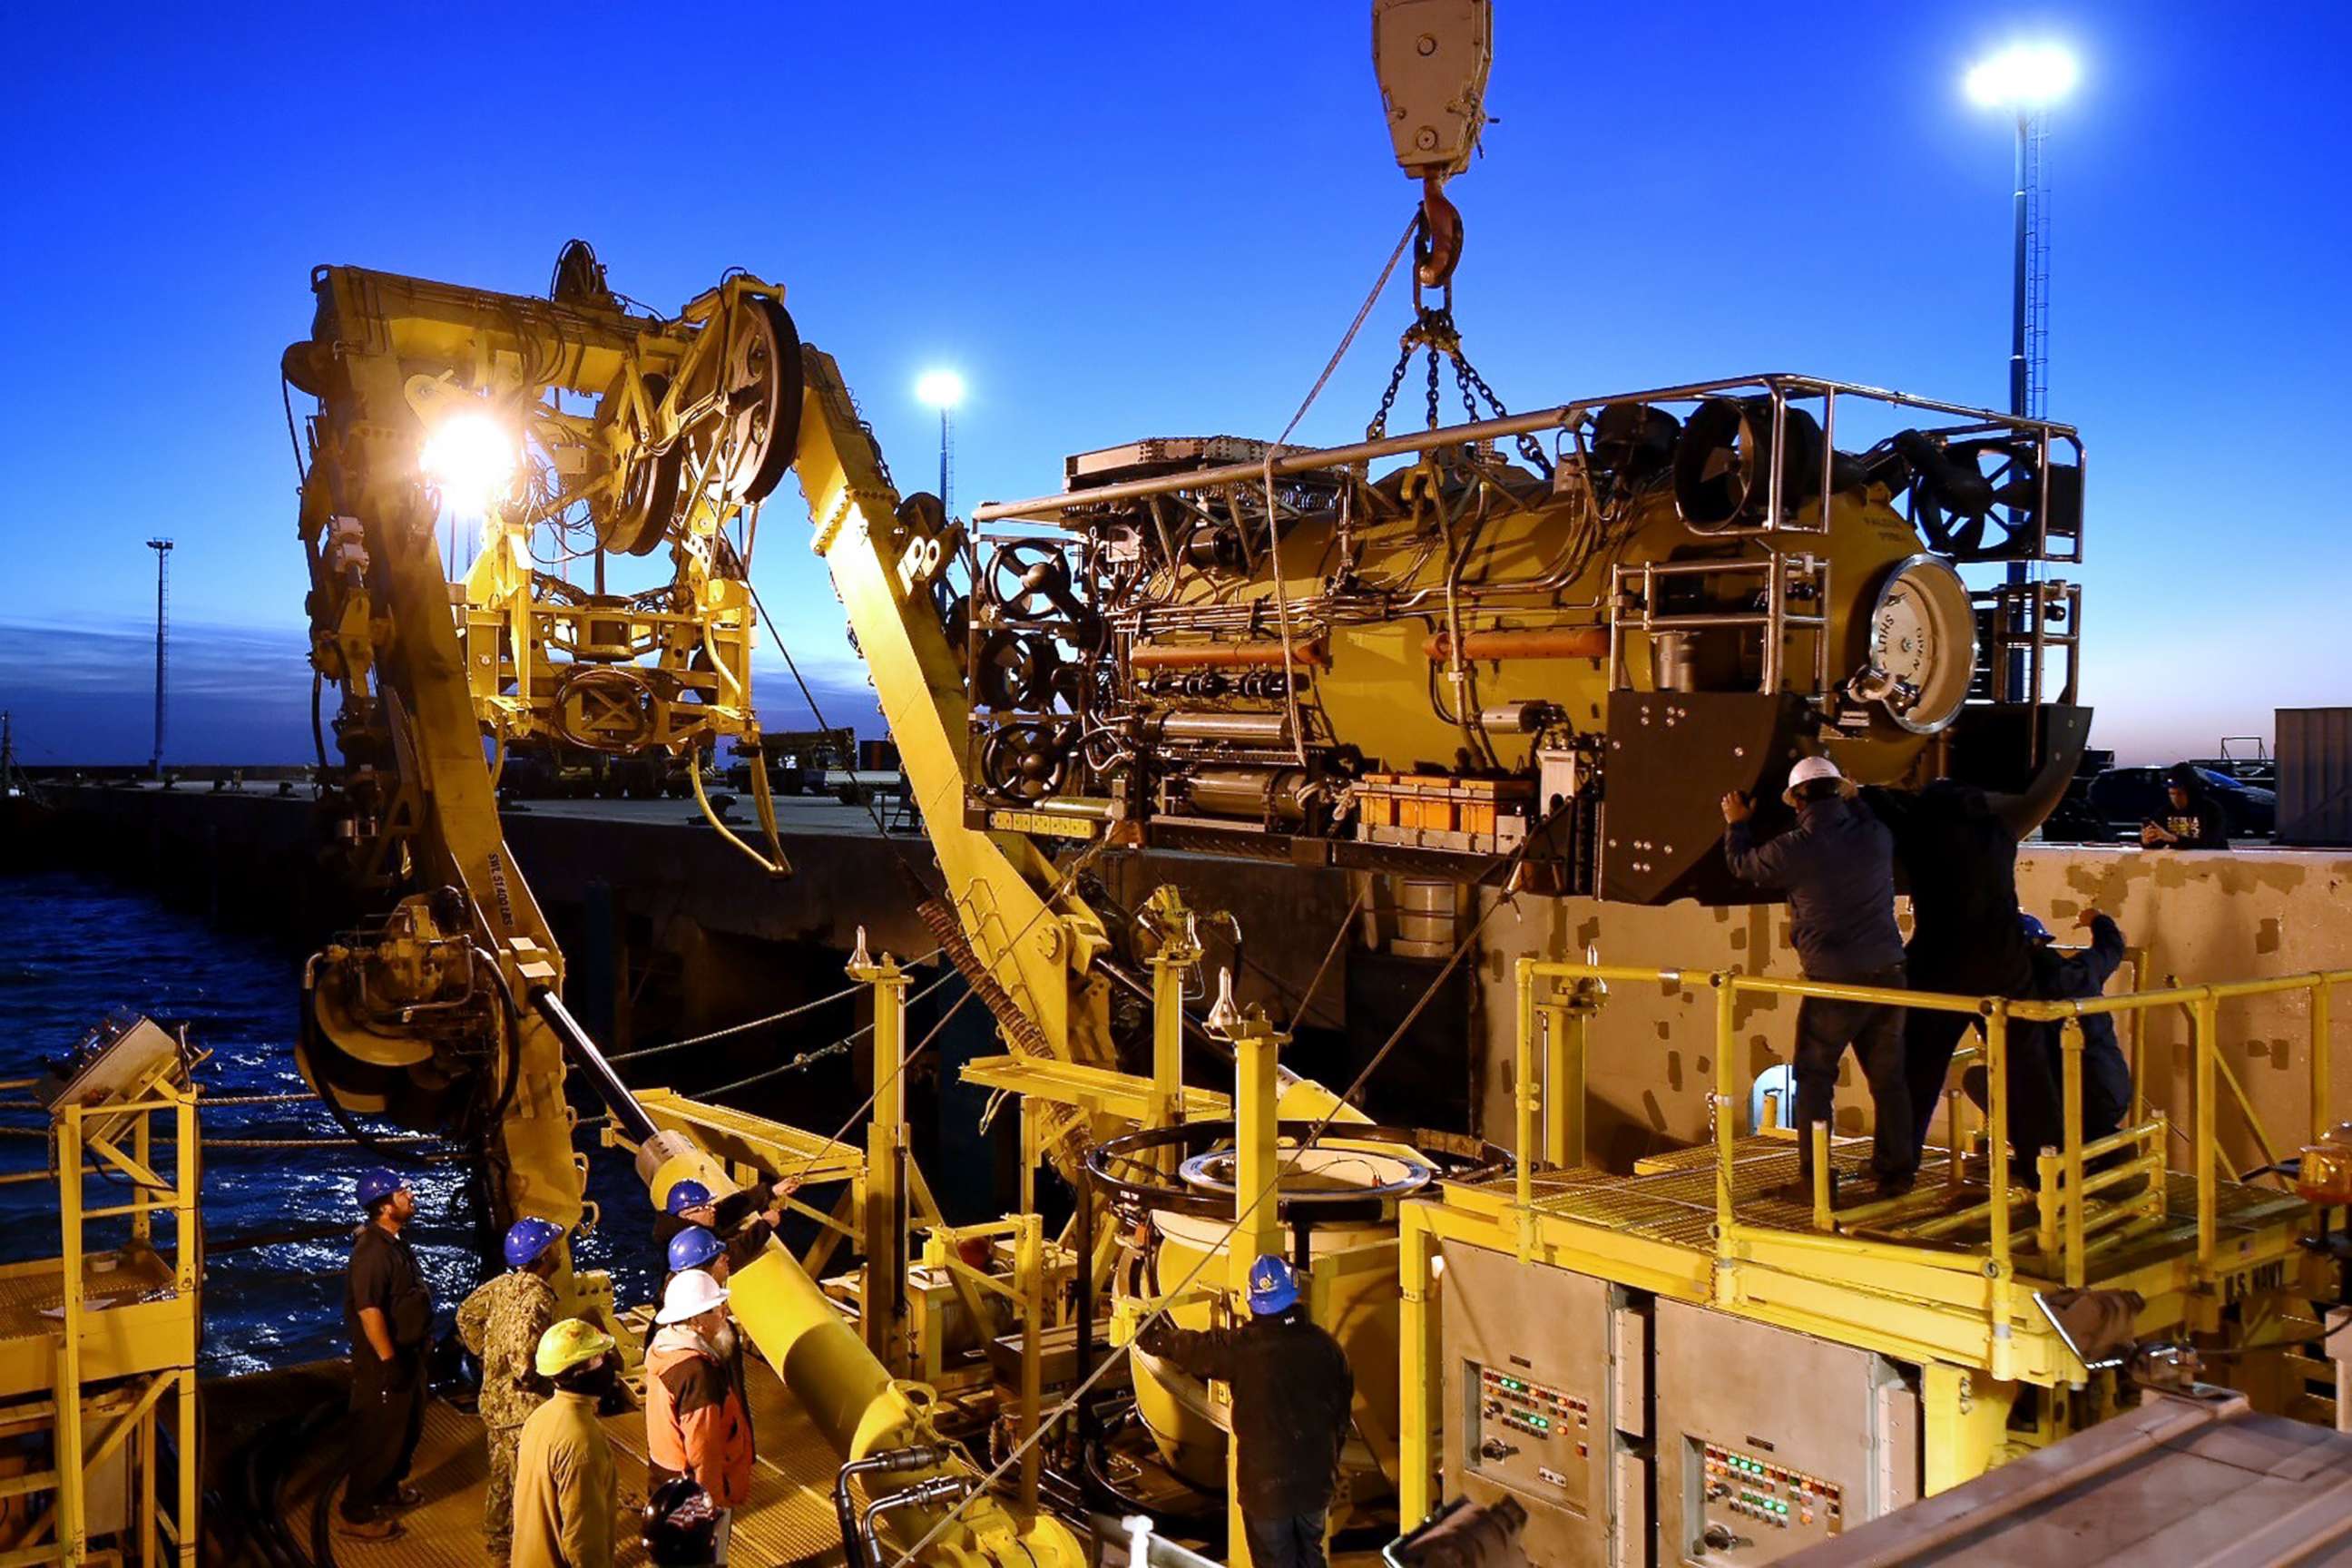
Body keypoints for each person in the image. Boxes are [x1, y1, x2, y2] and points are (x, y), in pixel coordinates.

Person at [1721, 757, 1913, 1198]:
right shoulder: (1876, 835)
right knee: (1889, 1078)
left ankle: (1816, 1182)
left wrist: (1737, 824)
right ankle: (1896, 1173)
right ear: (1839, 791)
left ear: (1798, 799)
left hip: (1833, 982)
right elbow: (1862, 814)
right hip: (1889, 973)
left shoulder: (1794, 847)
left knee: (1814, 1077)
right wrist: (1857, 796)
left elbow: (1744, 866)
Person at [1859, 778, 2059, 1177]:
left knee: (1916, 1068)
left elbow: (1891, 813)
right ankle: (2048, 1167)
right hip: (2007, 964)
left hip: (1943, 967)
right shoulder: (2000, 833)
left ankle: (1897, 1164)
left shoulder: (1927, 833)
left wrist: (1864, 789)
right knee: (2026, 1069)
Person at [1136, 1256, 1354, 1568]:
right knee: (1311, 1554)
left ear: (1254, 1302)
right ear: (1294, 1293)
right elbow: (1342, 1412)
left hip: (1266, 1491)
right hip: (1315, 1484)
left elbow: (1198, 1349)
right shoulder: (1327, 1348)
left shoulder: (1242, 1349)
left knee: (1274, 1561)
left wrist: (1155, 1338)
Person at [457, 1217, 566, 1565]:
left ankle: (498, 1545)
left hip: (494, 1401)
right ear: (545, 1254)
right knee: (531, 1485)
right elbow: (523, 1361)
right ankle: (530, 1551)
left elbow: (466, 1316)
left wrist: (486, 1355)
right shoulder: (536, 1297)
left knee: (502, 1476)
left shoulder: (502, 1285)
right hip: (521, 1409)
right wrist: (541, 1382)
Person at [338, 1167, 435, 1541]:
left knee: (406, 1430)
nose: (409, 1195)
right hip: (385, 1363)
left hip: (409, 1354)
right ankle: (357, 1513)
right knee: (378, 1436)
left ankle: (387, 1489)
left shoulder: (393, 1241)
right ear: (383, 1206)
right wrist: (388, 1360)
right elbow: (370, 1310)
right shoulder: (372, 1252)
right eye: (401, 1192)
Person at [644, 1269, 752, 1562]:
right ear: (696, 1321)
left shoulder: (664, 1349)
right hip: (694, 1495)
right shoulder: (697, 1373)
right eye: (717, 1309)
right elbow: (703, 1449)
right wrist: (709, 1508)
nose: (725, 1314)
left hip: (667, 1483)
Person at [512, 1318, 622, 1568]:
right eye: (599, 1358)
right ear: (579, 1372)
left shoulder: (540, 1416)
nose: (607, 1363)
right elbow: (582, 1538)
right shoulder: (582, 1439)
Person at [2025, 910, 2134, 1149]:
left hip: (2071, 1103)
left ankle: (2045, 1152)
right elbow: (2111, 948)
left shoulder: (2022, 998)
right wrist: (2096, 919)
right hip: (2115, 1094)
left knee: (1980, 1078)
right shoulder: (2082, 970)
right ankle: (2101, 1145)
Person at [2141, 765, 2231, 850]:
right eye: (2172, 794)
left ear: (2191, 793)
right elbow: (2159, 842)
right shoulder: (2165, 812)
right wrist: (2147, 842)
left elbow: (2210, 842)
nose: (2175, 799)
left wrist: (2175, 839)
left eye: (2180, 794)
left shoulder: (2211, 810)